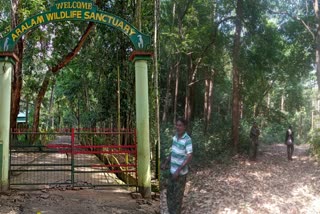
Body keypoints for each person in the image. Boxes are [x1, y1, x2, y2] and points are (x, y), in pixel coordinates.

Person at [161, 118, 193, 214]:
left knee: (177, 198)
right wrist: (166, 162)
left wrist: (178, 170)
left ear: (184, 127)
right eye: (177, 125)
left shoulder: (187, 140)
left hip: (180, 174)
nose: (178, 127)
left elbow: (189, 156)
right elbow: (173, 151)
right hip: (172, 172)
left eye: (180, 125)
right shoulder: (175, 137)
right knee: (169, 195)